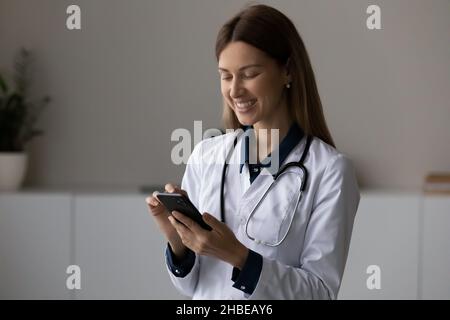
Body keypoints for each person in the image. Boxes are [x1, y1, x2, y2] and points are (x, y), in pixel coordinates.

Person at [146, 4, 360, 300]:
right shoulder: (206, 155)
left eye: (249, 74)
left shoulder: (330, 171)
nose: (234, 91)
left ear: (287, 70)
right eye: (225, 75)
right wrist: (177, 242)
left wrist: (239, 257)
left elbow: (320, 293)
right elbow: (193, 286)